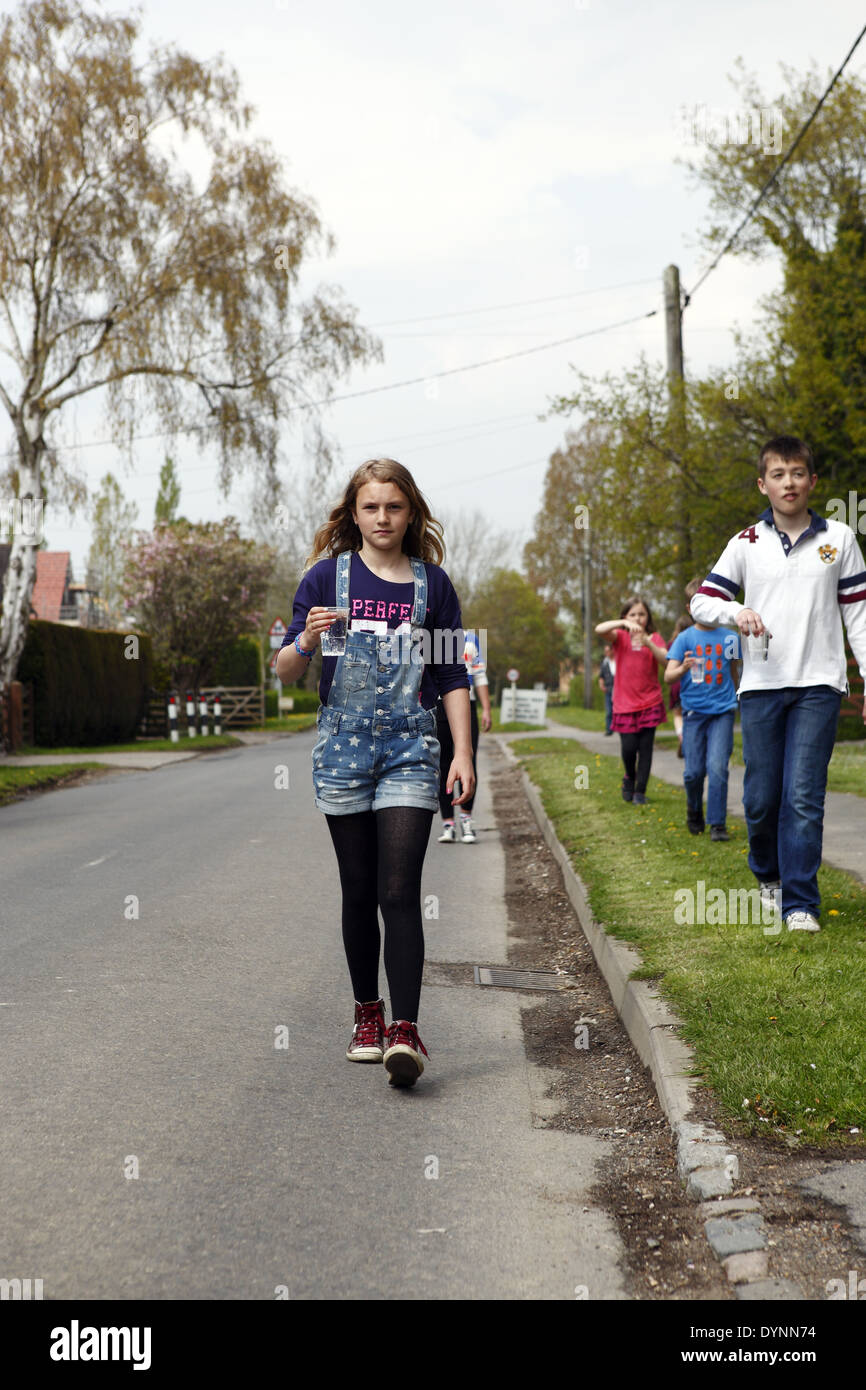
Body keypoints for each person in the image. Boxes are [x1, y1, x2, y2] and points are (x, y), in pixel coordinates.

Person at [277, 458, 475, 1085]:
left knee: (399, 891)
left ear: (410, 511)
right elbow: (283, 670)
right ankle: (368, 1013)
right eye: (371, 507)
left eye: (394, 506)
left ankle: (406, 1030)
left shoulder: (433, 587)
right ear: (354, 513)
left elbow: (452, 676)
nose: (383, 517)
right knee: (359, 890)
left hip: (411, 751)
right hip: (342, 750)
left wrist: (463, 752)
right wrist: (305, 641)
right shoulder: (323, 580)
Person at [690, 435, 866, 932]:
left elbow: (859, 618)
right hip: (762, 686)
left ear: (812, 481)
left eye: (797, 473)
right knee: (761, 800)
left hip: (819, 684)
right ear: (763, 484)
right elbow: (702, 602)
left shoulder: (841, 539)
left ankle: (800, 903)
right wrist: (737, 610)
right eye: (778, 474)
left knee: (804, 796)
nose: (788, 483)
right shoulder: (746, 542)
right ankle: (768, 878)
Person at [665, 580, 741, 841]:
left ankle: (717, 824)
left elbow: (734, 672)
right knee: (693, 772)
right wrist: (683, 668)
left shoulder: (730, 637)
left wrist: (737, 699)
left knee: (718, 766)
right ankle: (694, 809)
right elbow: (668, 676)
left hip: (722, 711)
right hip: (694, 714)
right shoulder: (684, 640)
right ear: (690, 607)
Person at [595, 596, 668, 804]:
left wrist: (648, 643)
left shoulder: (655, 638)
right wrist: (622, 624)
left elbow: (665, 660)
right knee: (628, 749)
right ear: (626, 616)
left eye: (642, 614)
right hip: (624, 703)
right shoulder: (619, 637)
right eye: (633, 614)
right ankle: (629, 777)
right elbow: (599, 629)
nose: (638, 618)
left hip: (650, 702)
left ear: (648, 617)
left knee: (645, 750)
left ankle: (640, 792)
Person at [437, 628, 492, 843]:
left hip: (466, 705)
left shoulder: (471, 638)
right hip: (438, 705)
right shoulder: (431, 636)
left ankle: (467, 820)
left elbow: (479, 674)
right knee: (442, 764)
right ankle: (448, 823)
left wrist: (486, 709)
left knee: (469, 759)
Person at [667, 613, 691, 757]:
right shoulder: (693, 642)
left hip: (676, 684)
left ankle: (682, 736)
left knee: (677, 714)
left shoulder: (672, 644)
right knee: (688, 714)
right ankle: (686, 737)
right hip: (689, 684)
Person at [598, 643, 615, 735]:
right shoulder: (605, 663)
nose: (606, 653)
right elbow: (601, 676)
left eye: (608, 651)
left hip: (618, 689)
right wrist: (601, 685)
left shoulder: (618, 660)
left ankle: (620, 727)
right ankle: (609, 729)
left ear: (612, 650)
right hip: (608, 689)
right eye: (605, 651)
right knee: (609, 711)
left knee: (618, 710)